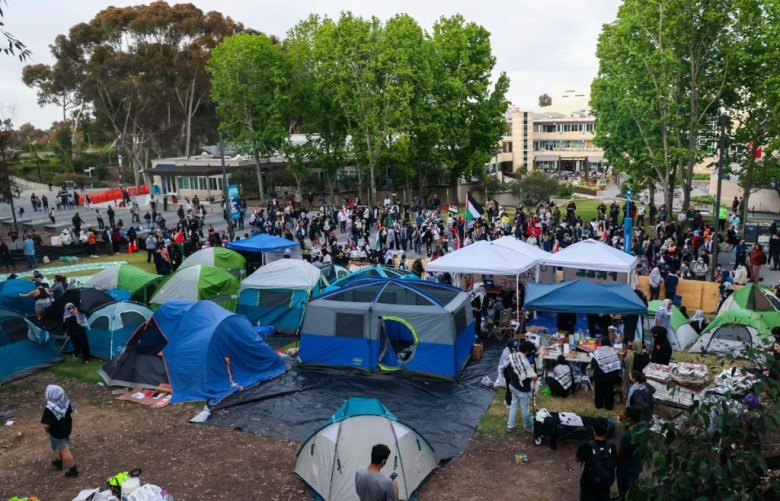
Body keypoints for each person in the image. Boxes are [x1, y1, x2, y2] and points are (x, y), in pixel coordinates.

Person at [41, 385, 79, 477]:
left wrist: (47, 431)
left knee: (64, 449)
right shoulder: (65, 401)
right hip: (66, 427)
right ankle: (58, 461)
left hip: (57, 432)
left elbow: (46, 425)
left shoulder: (49, 409)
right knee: (61, 445)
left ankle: (73, 470)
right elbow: (70, 411)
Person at [576, 418, 616, 501]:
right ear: (607, 429)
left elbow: (578, 459)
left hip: (588, 482)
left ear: (593, 429)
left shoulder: (586, 445)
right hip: (605, 481)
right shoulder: (612, 446)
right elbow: (614, 461)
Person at [506, 341, 537, 433]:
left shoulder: (514, 355)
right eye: (531, 351)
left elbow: (519, 368)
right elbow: (534, 377)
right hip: (522, 389)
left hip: (513, 385)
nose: (531, 353)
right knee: (525, 409)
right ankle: (527, 426)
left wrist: (529, 368)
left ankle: (510, 426)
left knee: (513, 405)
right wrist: (532, 371)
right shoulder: (525, 361)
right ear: (527, 351)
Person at [616, 406, 646, 500]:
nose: (622, 415)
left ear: (629, 418)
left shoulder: (626, 436)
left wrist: (613, 463)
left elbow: (620, 455)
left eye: (624, 413)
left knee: (623, 493)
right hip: (636, 466)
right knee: (633, 491)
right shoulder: (643, 430)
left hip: (625, 469)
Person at [591, 336, 622, 411]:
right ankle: (608, 406)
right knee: (609, 391)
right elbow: (617, 365)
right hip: (610, 377)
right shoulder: (613, 352)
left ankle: (599, 405)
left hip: (599, 375)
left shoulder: (597, 352)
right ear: (609, 343)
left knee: (599, 391)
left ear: (601, 343)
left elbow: (592, 364)